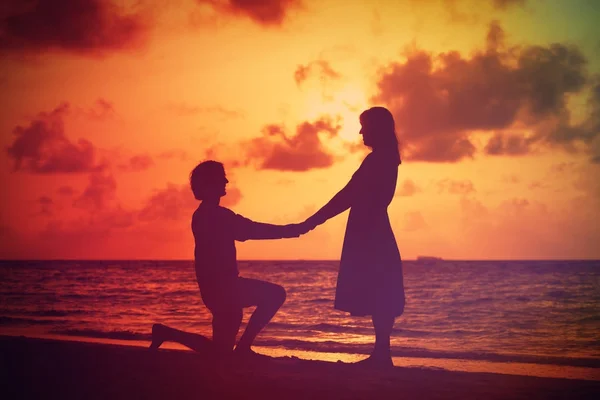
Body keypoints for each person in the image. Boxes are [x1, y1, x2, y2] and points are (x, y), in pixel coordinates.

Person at [150, 160, 300, 357]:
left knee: (220, 352)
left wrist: (292, 231)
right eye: (222, 178)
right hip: (224, 289)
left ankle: (165, 333)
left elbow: (248, 229)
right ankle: (244, 348)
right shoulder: (214, 215)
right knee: (275, 294)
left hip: (217, 290)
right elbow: (252, 229)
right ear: (210, 184)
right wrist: (292, 230)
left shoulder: (204, 215)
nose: (227, 181)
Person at [300, 106, 405, 368]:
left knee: (379, 290)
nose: (360, 132)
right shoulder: (387, 158)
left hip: (370, 231)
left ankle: (382, 354)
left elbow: (348, 195)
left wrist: (313, 221)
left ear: (376, 129)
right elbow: (352, 194)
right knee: (380, 290)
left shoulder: (378, 160)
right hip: (373, 227)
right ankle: (382, 353)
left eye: (364, 126)